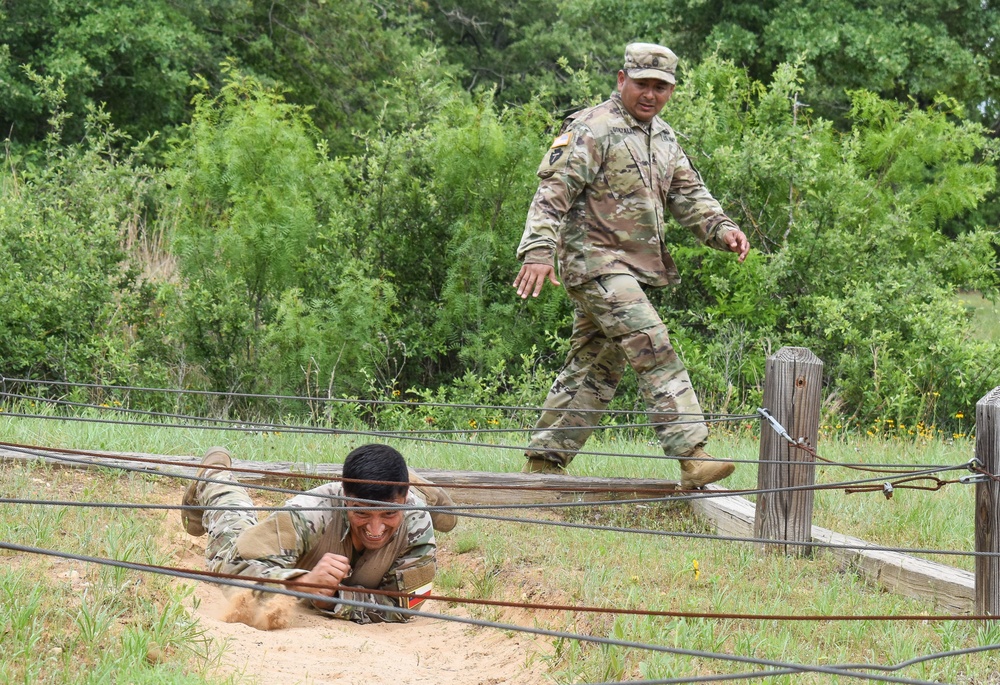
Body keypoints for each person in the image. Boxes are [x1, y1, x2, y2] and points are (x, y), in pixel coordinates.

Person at [513, 42, 750, 488]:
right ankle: (691, 454)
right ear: (622, 80)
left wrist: (722, 228)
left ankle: (542, 469)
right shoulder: (592, 128)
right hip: (595, 264)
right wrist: (539, 252)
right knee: (650, 342)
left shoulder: (663, 137)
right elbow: (553, 191)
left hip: (634, 271)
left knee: (596, 367)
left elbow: (689, 195)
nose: (651, 94)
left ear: (672, 90)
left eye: (662, 87)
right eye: (642, 84)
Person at [181, 443, 455, 623]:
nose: (375, 530)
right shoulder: (308, 512)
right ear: (345, 496)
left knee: (449, 519)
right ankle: (215, 477)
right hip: (282, 545)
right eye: (361, 513)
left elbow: (403, 606)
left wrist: (333, 599)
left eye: (388, 514)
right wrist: (301, 583)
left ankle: (416, 485)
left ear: (405, 499)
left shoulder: (416, 519)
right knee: (233, 524)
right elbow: (235, 568)